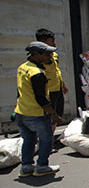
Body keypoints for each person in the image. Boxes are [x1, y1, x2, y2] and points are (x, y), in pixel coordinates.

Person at [15, 42, 63, 177]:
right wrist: (54, 114)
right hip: (36, 114)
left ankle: (26, 167)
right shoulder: (37, 73)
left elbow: (20, 90)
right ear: (36, 54)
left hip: (21, 112)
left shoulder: (23, 67)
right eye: (47, 54)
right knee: (46, 140)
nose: (50, 56)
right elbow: (41, 98)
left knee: (28, 140)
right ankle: (42, 166)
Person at [36, 29, 68, 134]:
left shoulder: (54, 55)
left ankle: (51, 136)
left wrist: (62, 84)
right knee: (50, 116)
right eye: (51, 41)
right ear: (43, 42)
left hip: (57, 88)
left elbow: (56, 71)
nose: (54, 44)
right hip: (49, 91)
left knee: (58, 113)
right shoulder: (39, 57)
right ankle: (46, 138)